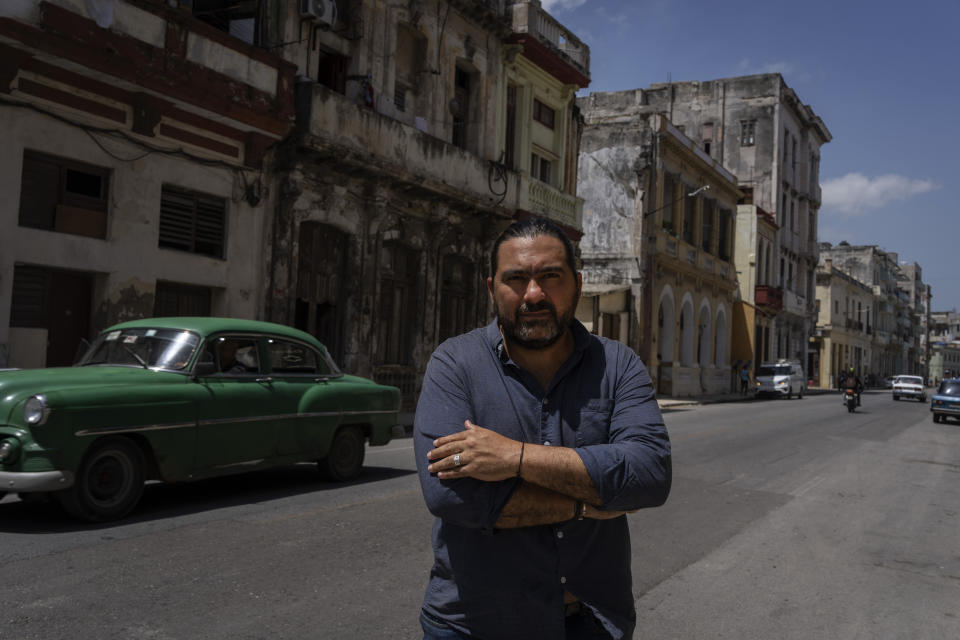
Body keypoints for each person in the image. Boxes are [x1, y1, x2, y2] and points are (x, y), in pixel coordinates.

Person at [413, 217, 672, 639]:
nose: (534, 294)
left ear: (578, 284)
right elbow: (452, 496)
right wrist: (587, 505)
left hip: (590, 620)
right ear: (491, 287)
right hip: (472, 625)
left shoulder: (618, 365)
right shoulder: (455, 364)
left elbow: (649, 475)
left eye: (550, 277)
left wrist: (513, 458)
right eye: (516, 279)